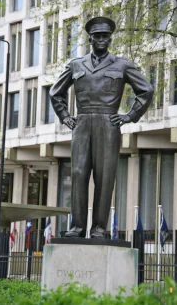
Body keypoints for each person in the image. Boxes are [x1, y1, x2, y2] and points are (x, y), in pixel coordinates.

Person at [50, 16, 153, 238]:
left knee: (105, 177)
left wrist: (129, 116)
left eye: (105, 36)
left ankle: (98, 228)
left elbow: (146, 90)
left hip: (108, 123)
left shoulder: (122, 64)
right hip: (82, 122)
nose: (101, 40)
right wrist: (66, 116)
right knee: (78, 174)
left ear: (110, 39)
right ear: (90, 38)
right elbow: (55, 92)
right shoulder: (76, 64)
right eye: (97, 36)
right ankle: (77, 227)